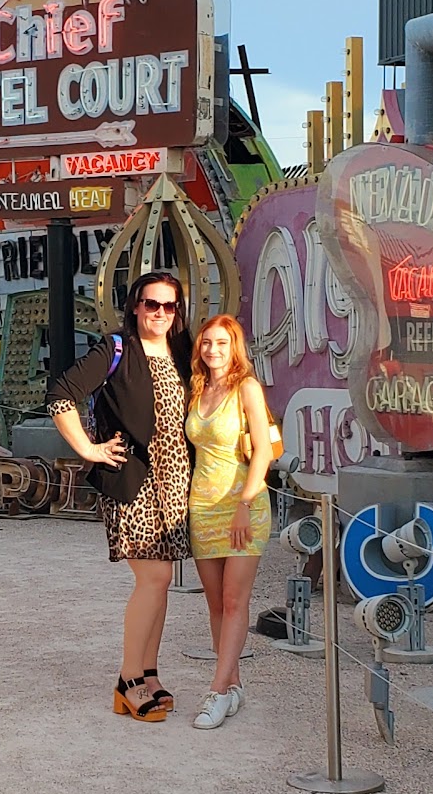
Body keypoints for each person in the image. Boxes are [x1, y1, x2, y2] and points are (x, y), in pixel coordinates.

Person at [45, 271, 193, 722]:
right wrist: (88, 449)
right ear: (135, 306)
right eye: (152, 304)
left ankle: (149, 673)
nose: (160, 313)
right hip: (134, 481)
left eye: (169, 306)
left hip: (175, 482)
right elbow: (60, 395)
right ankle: (128, 680)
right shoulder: (117, 349)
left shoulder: (182, 352)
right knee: (153, 578)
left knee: (161, 581)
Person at [186, 314, 274, 730]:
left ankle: (217, 691)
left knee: (236, 600)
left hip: (244, 505)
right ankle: (234, 684)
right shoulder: (197, 388)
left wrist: (245, 503)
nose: (213, 350)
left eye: (222, 343)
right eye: (207, 342)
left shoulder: (247, 388)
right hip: (202, 506)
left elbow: (264, 451)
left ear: (234, 346)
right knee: (216, 603)